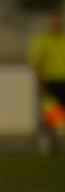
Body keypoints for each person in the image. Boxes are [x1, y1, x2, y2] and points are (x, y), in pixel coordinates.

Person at [28, 8, 65, 140]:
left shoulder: (63, 41)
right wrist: (40, 81)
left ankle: (55, 137)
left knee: (61, 114)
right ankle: (49, 139)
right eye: (54, 21)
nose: (57, 24)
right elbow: (37, 63)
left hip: (63, 80)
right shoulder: (43, 41)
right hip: (50, 80)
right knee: (51, 113)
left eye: (59, 21)